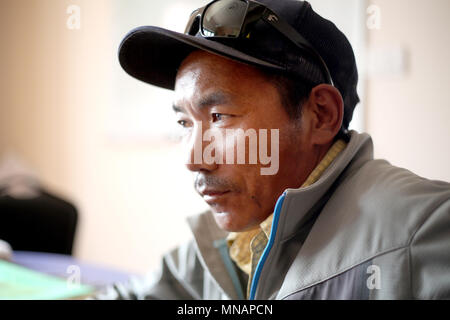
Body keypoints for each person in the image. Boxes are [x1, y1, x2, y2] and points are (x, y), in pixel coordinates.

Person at [95, 0, 450, 299]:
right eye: (185, 123)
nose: (193, 159)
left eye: (219, 117)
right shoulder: (236, 238)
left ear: (321, 115)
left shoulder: (425, 232)